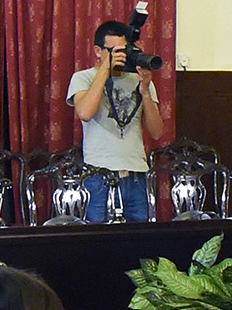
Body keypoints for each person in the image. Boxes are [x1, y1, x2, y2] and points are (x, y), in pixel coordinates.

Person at [67, 19, 166, 223]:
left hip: (137, 174)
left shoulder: (139, 80)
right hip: (99, 175)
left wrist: (146, 92)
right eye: (114, 51)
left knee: (139, 239)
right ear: (98, 51)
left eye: (124, 50)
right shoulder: (83, 78)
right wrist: (105, 69)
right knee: (100, 238)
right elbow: (85, 112)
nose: (121, 56)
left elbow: (157, 132)